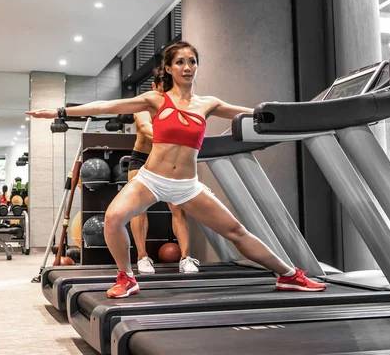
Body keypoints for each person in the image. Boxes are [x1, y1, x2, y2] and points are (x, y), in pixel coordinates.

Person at [27, 41, 327, 299]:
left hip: (187, 185)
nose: (187, 67)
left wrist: (289, 114)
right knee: (114, 218)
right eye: (180, 62)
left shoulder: (207, 103)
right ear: (168, 68)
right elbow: (106, 106)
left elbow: (250, 113)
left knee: (236, 232)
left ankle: (289, 275)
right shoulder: (155, 100)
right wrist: (61, 111)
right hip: (151, 179)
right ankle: (126, 277)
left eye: (192, 62)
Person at [129, 66, 199, 274]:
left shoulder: (181, 102)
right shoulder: (145, 103)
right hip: (143, 159)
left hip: (169, 162)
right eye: (163, 88)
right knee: (138, 208)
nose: (166, 93)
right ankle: (142, 257)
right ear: (154, 86)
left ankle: (186, 258)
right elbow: (144, 128)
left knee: (178, 208)